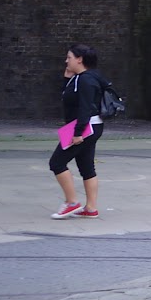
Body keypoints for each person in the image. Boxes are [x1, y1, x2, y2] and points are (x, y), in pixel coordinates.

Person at [50, 43, 108, 220]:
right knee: (86, 166)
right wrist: (67, 79)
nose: (66, 60)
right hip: (88, 125)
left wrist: (77, 133)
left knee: (57, 163)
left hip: (84, 127)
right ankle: (90, 209)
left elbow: (85, 108)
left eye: (69, 57)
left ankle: (71, 202)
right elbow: (69, 98)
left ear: (79, 59)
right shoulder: (84, 77)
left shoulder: (85, 79)